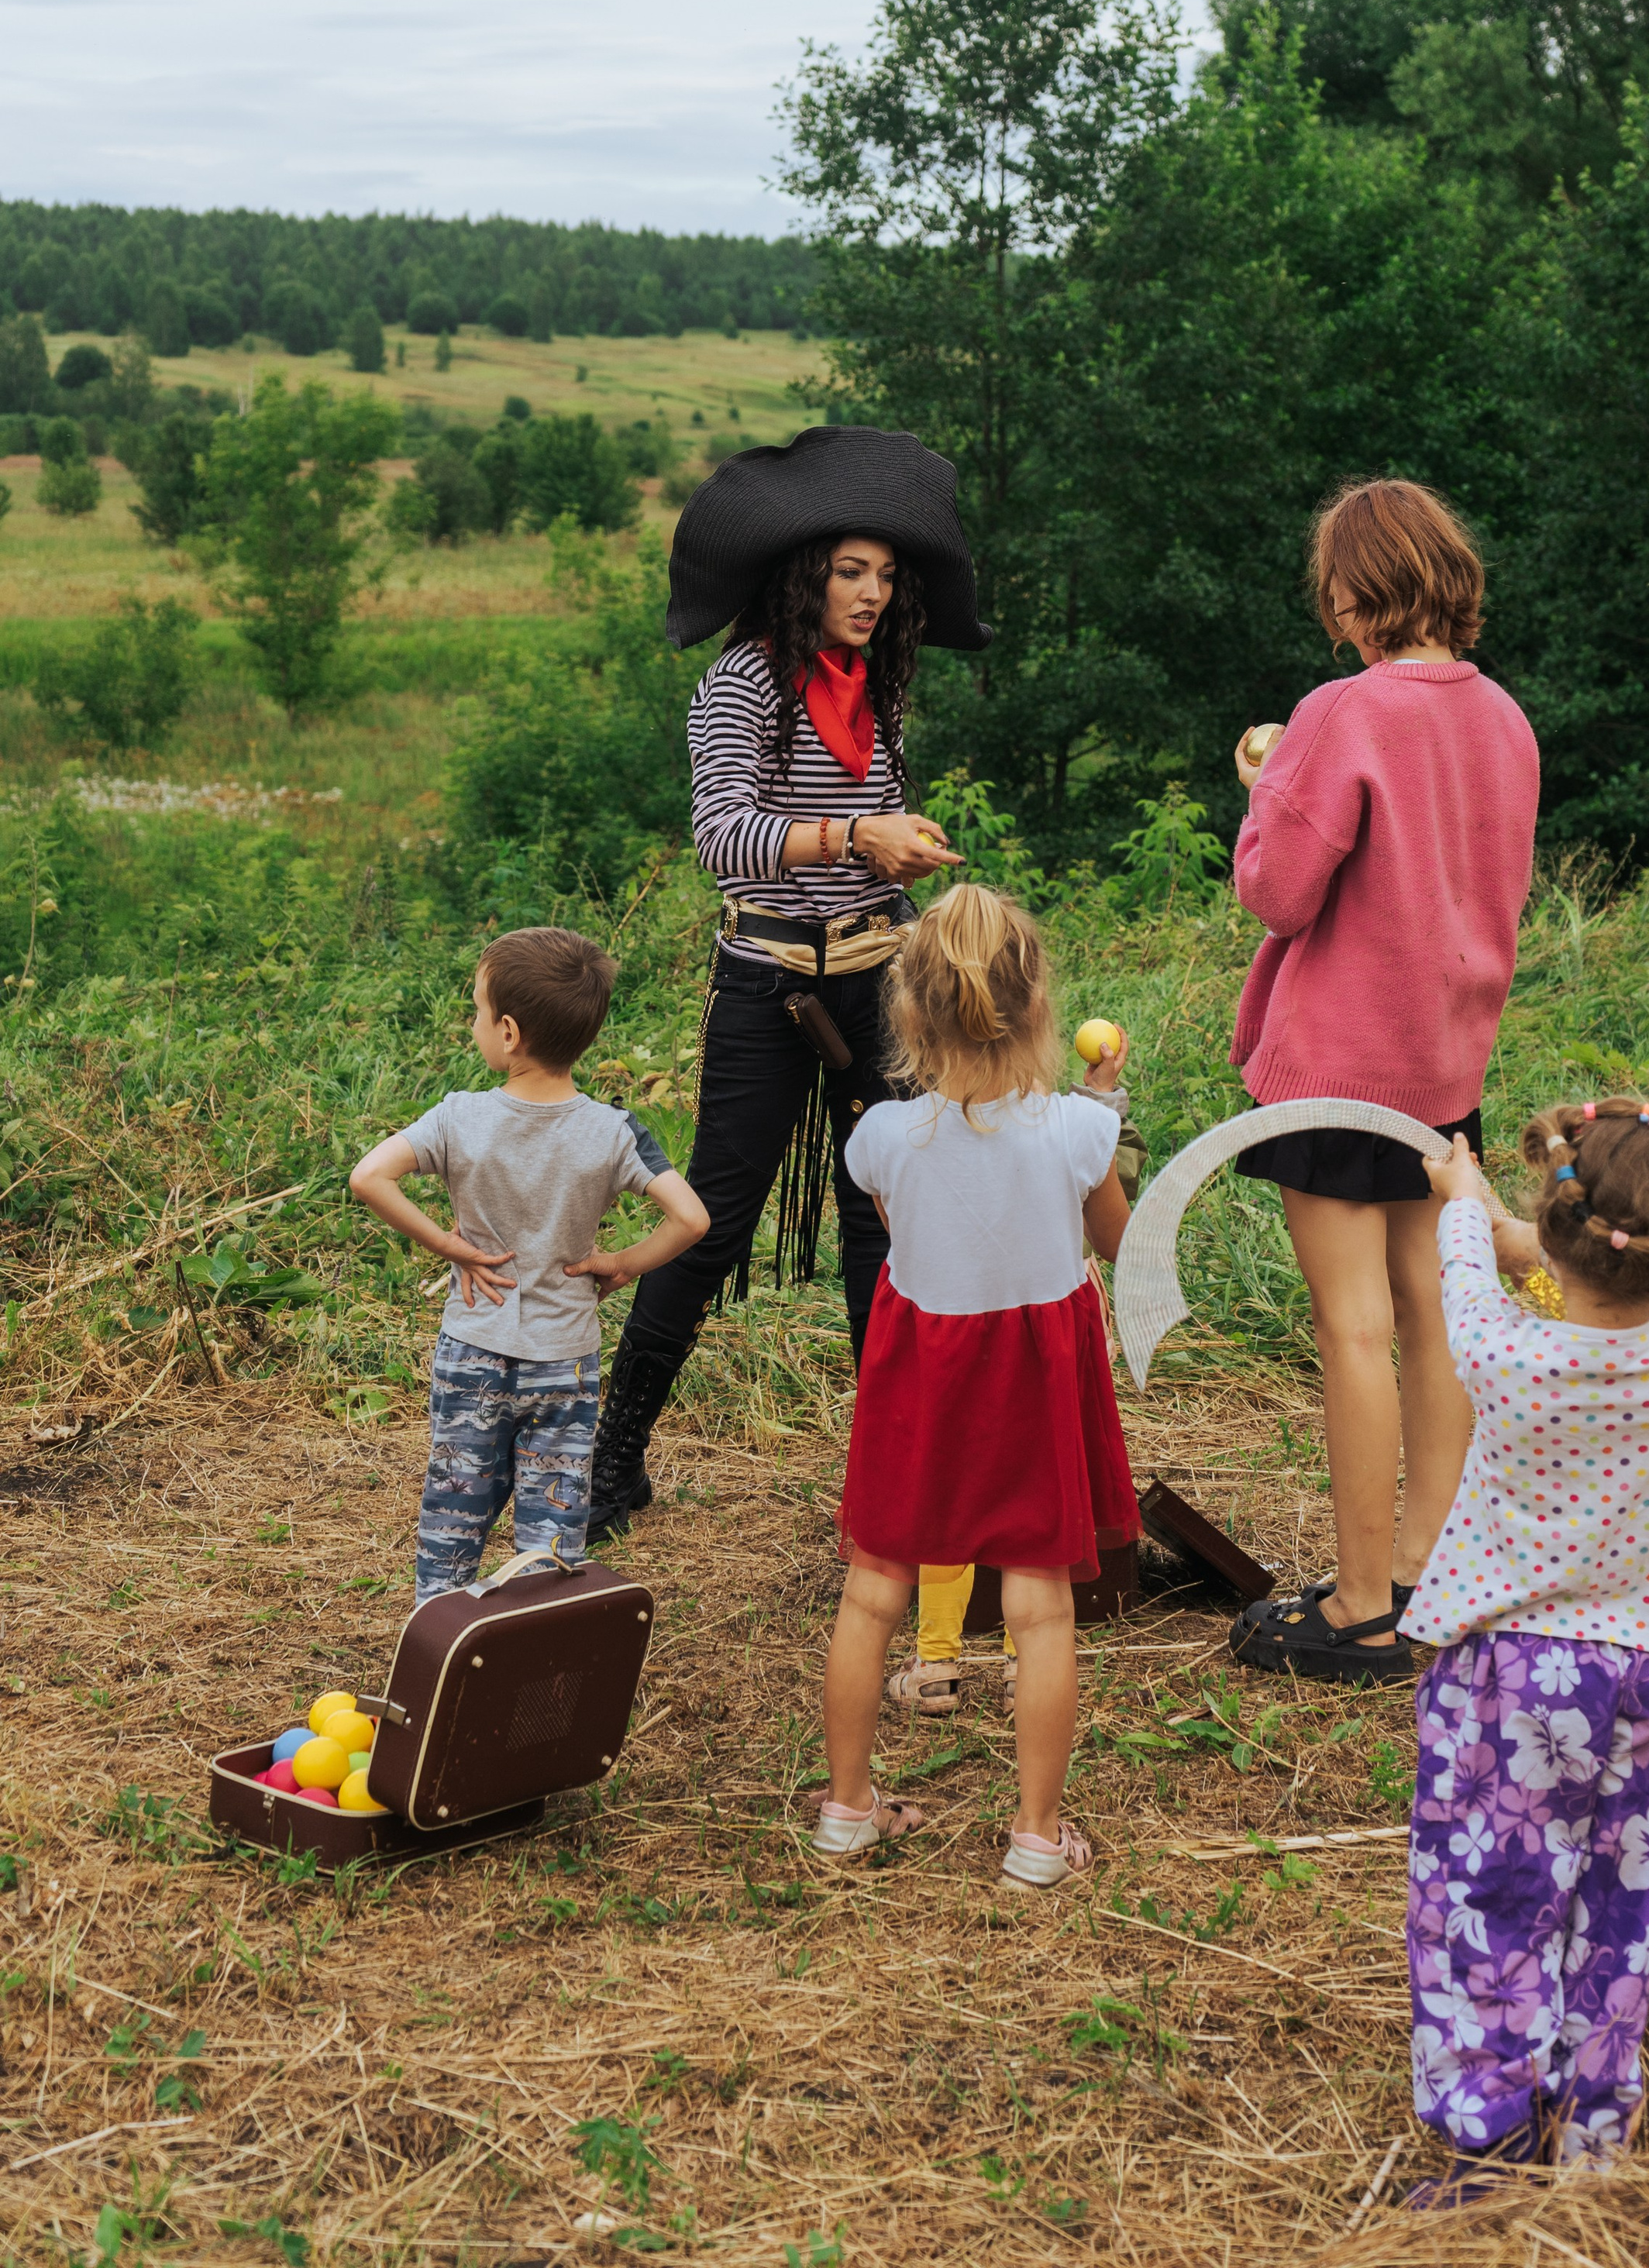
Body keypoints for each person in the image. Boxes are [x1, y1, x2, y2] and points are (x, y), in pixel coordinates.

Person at [585, 426, 986, 1541]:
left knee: (884, 1218)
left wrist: (899, 855)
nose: (872, 592)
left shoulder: (880, 686)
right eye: (852, 571)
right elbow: (723, 840)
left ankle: (890, 1474)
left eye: (887, 574)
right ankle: (613, 1460)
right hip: (768, 986)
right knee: (712, 1221)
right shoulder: (743, 684)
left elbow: (866, 830)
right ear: (806, 575)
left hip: (879, 981)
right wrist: (861, 835)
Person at [1225, 477, 1539, 1685]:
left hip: (1339, 1069)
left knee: (1353, 1328)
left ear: (1358, 595)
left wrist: (1265, 788)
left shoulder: (1342, 710)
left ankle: (1360, 1607)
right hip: (1444, 1064)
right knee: (1438, 1320)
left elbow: (1278, 893)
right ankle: (1425, 1575)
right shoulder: (1505, 716)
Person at [1403, 1098, 1649, 2199]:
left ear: (1557, 1231)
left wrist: (1469, 1202)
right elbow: (1632, 1268)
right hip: (1645, 1681)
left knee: (1491, 1904)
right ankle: (1594, 2132)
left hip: (1513, 1685)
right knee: (1617, 1912)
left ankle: (1490, 2141)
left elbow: (1466, 1263)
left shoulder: (1503, 1351)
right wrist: (1529, 1225)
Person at [810, 885, 1140, 1886]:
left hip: (925, 1380)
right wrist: (1108, 1115)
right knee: (1041, 1610)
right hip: (1032, 1384)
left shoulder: (879, 1141)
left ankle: (847, 1811)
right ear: (1038, 1007)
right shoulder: (1078, 1133)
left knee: (873, 1597)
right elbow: (1118, 1243)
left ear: (907, 1016)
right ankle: (1036, 1838)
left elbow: (907, 1214)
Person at [349, 926, 711, 1599]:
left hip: (473, 1348)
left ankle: (443, 1648)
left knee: (454, 1522)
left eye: (478, 1009)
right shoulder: (613, 1129)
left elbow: (370, 1177)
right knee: (551, 1538)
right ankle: (538, 1665)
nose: (473, 1022)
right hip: (564, 1360)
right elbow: (692, 1218)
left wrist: (449, 1245)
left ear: (508, 1032)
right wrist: (624, 1262)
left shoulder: (458, 1117)